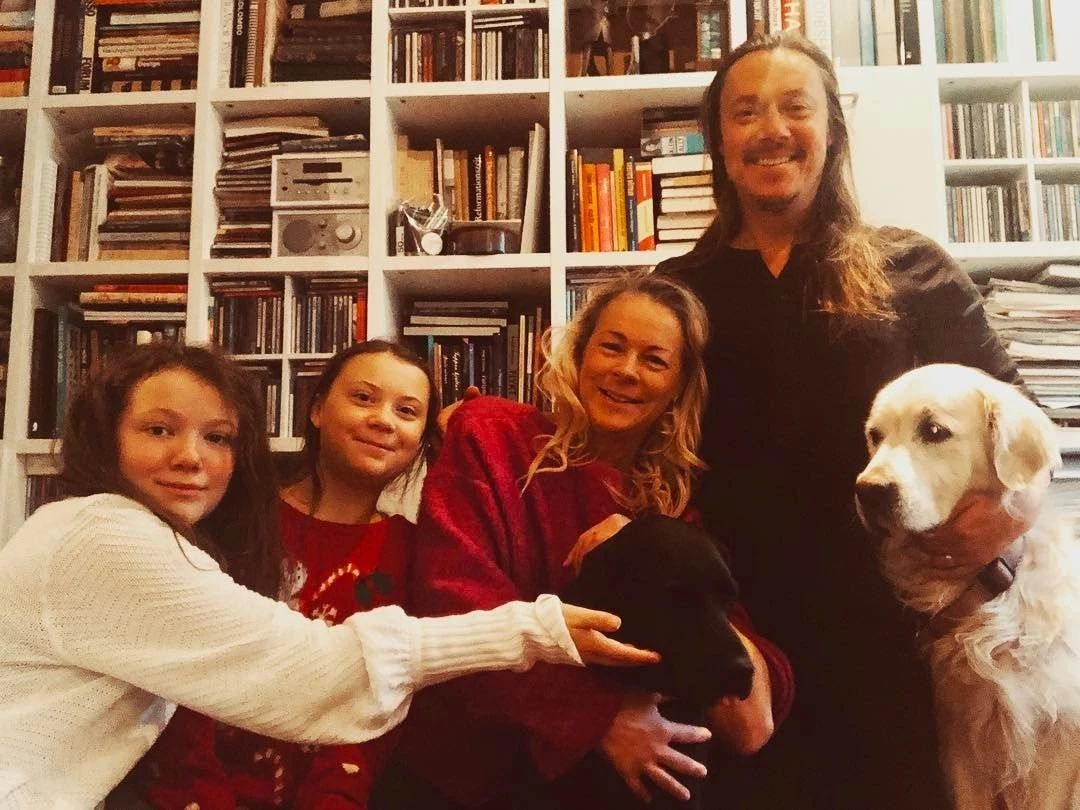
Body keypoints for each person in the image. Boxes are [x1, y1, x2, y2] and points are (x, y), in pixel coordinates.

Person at [0, 342, 659, 809]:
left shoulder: (411, 547)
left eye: (218, 437)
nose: (191, 459)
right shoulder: (119, 535)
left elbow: (370, 715)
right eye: (157, 430)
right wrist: (535, 628)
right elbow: (302, 672)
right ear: (316, 408)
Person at [653, 31, 1042, 809]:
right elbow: (635, 458)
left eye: (795, 107)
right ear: (719, 142)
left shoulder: (913, 268)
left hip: (892, 641)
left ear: (831, 129)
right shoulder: (677, 291)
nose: (771, 129)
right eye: (745, 112)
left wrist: (1008, 515)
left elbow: (1018, 421)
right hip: (732, 648)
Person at [381, 271, 795, 809]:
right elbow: (453, 603)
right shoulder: (491, 434)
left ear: (679, 387)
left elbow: (749, 719)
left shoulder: (673, 515)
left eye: (654, 360)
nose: (626, 371)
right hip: (461, 776)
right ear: (579, 355)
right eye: (612, 347)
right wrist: (600, 719)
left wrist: (648, 543)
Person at [128, 339, 450, 809]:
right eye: (363, 398)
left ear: (422, 436)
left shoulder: (414, 551)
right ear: (317, 409)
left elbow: (376, 700)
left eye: (407, 411)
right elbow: (182, 669)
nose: (383, 420)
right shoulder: (229, 514)